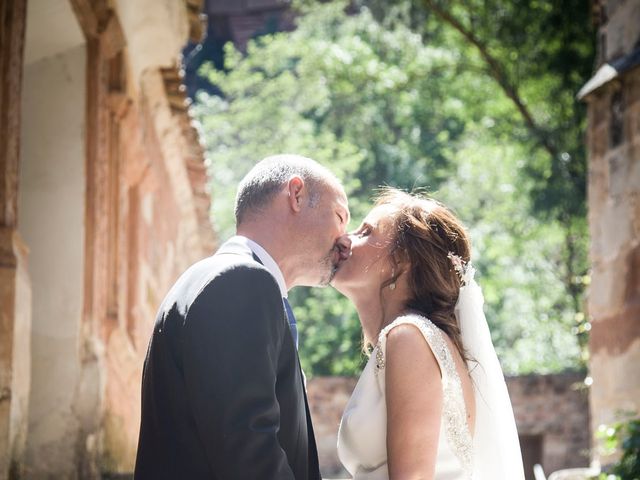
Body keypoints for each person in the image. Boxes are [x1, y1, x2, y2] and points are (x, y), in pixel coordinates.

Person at [134, 154, 352, 480]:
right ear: (296, 195)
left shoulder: (219, 279)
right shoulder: (240, 281)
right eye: (340, 217)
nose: (345, 241)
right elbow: (251, 454)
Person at [332, 188, 524, 480]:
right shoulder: (422, 340)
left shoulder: (409, 338)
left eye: (365, 232)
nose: (345, 239)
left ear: (401, 260)